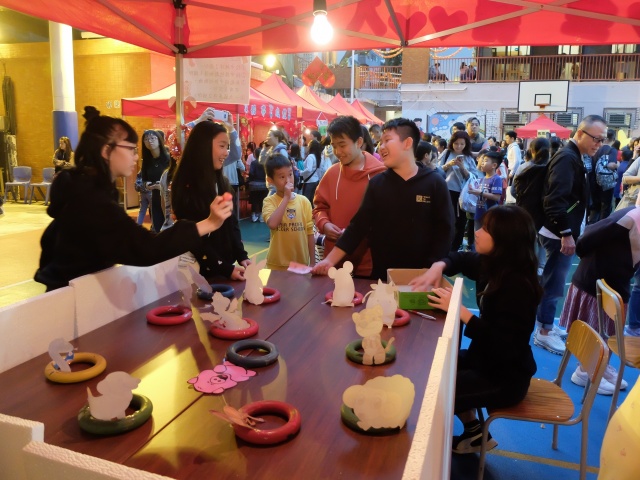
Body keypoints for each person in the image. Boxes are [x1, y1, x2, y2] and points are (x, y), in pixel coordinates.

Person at [34, 115, 232, 292]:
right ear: (106, 150)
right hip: (72, 299)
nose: (136, 156)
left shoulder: (85, 190)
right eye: (130, 149)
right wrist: (209, 223)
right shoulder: (91, 201)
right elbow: (146, 249)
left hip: (78, 292)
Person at [409, 205, 542, 454]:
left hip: (505, 378)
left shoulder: (518, 286)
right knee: (433, 368)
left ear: (504, 240)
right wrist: (439, 266)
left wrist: (462, 313)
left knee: (435, 392)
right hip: (484, 361)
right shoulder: (494, 264)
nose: (477, 232)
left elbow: (506, 347)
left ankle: (428, 454)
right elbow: (460, 258)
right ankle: (475, 432)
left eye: (486, 229)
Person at [312, 118, 453, 280]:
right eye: (381, 141)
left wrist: (433, 267)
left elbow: (445, 231)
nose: (381, 146)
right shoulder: (377, 183)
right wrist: (329, 261)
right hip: (382, 275)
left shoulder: (434, 182)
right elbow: (357, 227)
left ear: (407, 143)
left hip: (423, 276)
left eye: (387, 140)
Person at [534, 115, 607, 355]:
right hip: (557, 233)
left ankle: (545, 324)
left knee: (554, 280)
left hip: (560, 230)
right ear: (580, 133)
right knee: (554, 282)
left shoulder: (573, 156)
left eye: (602, 140)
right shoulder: (567, 157)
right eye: (596, 138)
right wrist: (566, 233)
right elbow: (555, 200)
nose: (599, 144)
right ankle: (543, 331)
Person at [558, 205, 640, 394]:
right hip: (595, 278)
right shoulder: (630, 217)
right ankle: (585, 370)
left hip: (615, 280)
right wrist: (582, 253)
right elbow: (589, 235)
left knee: (608, 329)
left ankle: (599, 364)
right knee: (595, 328)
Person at [171, 120, 250, 280]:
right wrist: (225, 269)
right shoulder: (186, 185)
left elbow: (231, 222)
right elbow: (195, 240)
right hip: (197, 273)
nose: (226, 153)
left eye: (227, 147)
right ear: (204, 146)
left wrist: (241, 255)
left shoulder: (222, 182)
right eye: (222, 146)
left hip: (224, 269)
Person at [313, 116, 386, 277]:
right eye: (334, 146)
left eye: (342, 145)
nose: (337, 152)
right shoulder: (331, 173)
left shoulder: (380, 175)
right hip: (333, 262)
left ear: (359, 142)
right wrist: (324, 224)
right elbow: (319, 207)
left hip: (368, 263)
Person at [263, 153, 315, 270]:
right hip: (276, 265)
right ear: (270, 180)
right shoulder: (269, 201)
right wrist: (286, 197)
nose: (288, 180)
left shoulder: (304, 201)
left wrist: (312, 262)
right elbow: (272, 224)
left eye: (290, 174)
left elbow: (310, 233)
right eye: (282, 177)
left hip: (300, 264)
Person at [439, 130, 481, 252]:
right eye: (456, 143)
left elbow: (474, 177)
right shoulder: (447, 153)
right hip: (447, 190)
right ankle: (444, 245)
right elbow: (437, 170)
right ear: (451, 142)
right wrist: (448, 165)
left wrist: (462, 167)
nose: (458, 146)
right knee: (445, 218)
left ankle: (455, 247)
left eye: (462, 144)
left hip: (462, 193)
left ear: (466, 144)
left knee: (460, 221)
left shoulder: (468, 157)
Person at [140, 130, 170, 233]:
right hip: (155, 198)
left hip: (168, 198)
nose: (150, 141)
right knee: (158, 227)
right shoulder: (146, 161)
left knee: (170, 228)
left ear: (159, 140)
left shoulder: (169, 159)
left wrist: (162, 185)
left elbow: (175, 179)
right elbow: (144, 179)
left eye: (153, 138)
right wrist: (147, 185)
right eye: (146, 139)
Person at [588, 128, 618, 223]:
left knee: (595, 207)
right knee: (605, 207)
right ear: (613, 139)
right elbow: (611, 165)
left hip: (593, 181)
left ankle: (591, 228)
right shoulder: (612, 150)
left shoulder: (596, 148)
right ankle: (602, 227)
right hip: (606, 183)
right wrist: (617, 165)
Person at [469, 151, 503, 231]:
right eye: (483, 160)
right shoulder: (482, 179)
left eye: (486, 161)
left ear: (494, 165)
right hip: (479, 213)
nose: (482, 163)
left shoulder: (496, 179)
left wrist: (480, 193)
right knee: (478, 235)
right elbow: (481, 194)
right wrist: (473, 191)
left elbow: (497, 197)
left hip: (490, 215)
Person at [248, 145, 268, 222]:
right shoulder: (265, 163)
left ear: (255, 154)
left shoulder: (253, 163)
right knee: (263, 200)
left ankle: (254, 215)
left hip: (254, 185)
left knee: (254, 200)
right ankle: (262, 216)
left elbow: (251, 173)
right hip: (264, 184)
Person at [301, 138, 323, 203]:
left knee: (306, 200)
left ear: (311, 147)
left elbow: (309, 169)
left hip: (309, 181)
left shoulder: (310, 156)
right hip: (316, 180)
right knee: (312, 200)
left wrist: (301, 173)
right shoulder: (317, 156)